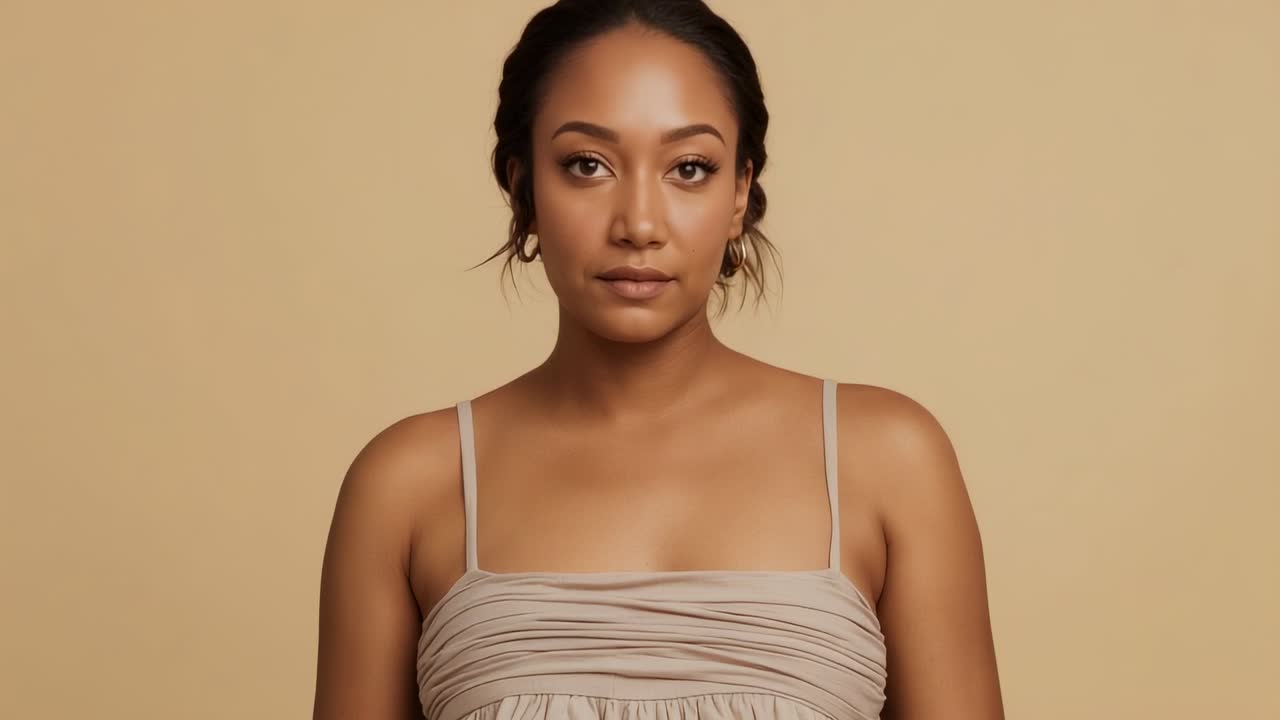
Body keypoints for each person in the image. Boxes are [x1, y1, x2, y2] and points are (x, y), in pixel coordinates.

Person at [313, 1, 1004, 718]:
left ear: (740, 192)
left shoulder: (888, 460)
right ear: (522, 188)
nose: (638, 224)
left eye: (690, 168)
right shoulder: (408, 486)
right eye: (587, 165)